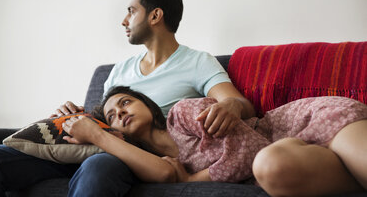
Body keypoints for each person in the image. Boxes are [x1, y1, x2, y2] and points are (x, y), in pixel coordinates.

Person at [0, 0, 254, 197]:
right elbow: (103, 119)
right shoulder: (119, 70)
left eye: (131, 11)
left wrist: (231, 104)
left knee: (99, 168)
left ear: (155, 15)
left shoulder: (197, 62)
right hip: (101, 143)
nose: (123, 21)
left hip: (138, 154)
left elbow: (240, 104)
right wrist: (75, 112)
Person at [62, 85, 367, 197]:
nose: (122, 112)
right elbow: (261, 161)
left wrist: (192, 180)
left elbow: (251, 149)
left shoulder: (183, 114)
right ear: (116, 132)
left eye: (126, 102)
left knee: (265, 161)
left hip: (307, 122)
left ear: (148, 104)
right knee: (271, 168)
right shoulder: (157, 166)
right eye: (113, 115)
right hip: (286, 160)